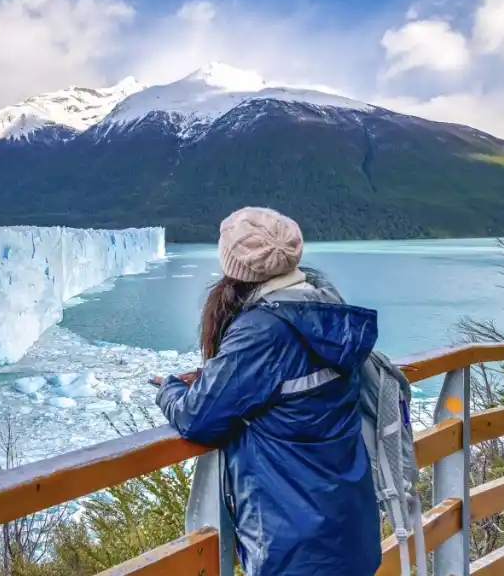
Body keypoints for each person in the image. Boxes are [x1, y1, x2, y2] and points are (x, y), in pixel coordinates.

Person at [154, 207, 381, 576]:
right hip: (350, 528)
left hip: (294, 544)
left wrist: (170, 389)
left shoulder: (260, 330)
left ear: (235, 265)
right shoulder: (326, 306)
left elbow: (197, 418)